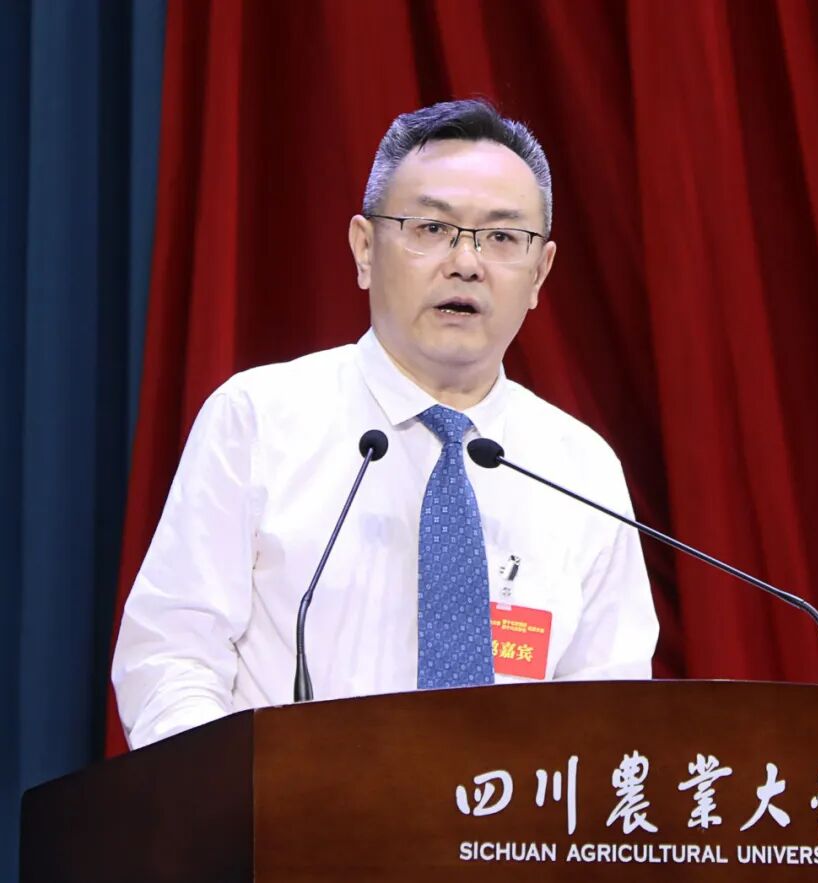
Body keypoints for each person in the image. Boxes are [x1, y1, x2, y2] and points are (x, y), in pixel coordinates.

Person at [112, 99, 659, 749]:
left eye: (502, 238)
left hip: (502, 815)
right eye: (431, 227)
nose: (466, 262)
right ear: (365, 249)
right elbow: (170, 658)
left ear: (540, 273)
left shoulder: (579, 469)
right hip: (287, 812)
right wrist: (233, 795)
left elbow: (609, 719)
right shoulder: (259, 420)